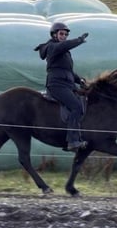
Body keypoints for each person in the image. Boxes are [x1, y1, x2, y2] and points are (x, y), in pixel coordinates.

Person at [34, 22, 89, 151]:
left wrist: (79, 79)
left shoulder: (65, 52)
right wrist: (79, 40)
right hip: (57, 85)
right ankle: (72, 141)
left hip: (67, 84)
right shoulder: (52, 47)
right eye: (61, 34)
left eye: (65, 34)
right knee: (76, 107)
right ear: (54, 35)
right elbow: (65, 45)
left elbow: (67, 71)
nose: (64, 36)